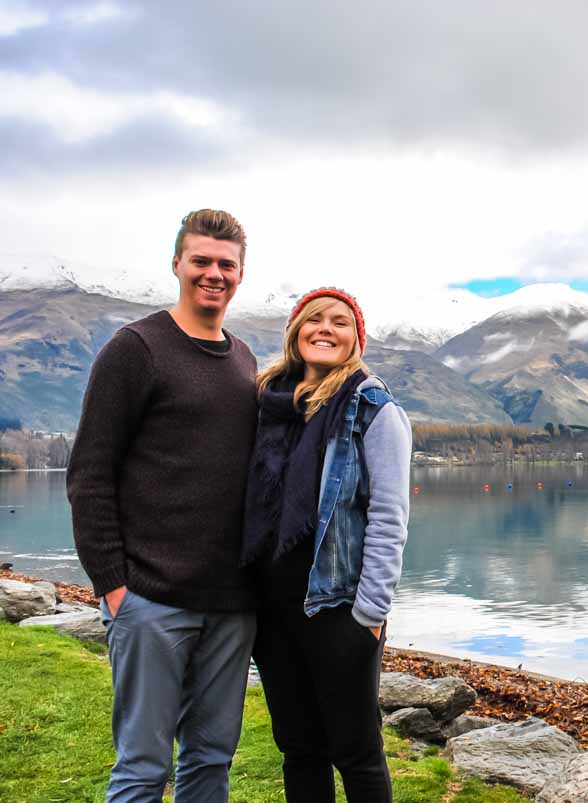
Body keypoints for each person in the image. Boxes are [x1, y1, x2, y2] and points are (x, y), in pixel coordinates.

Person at [67, 209, 259, 802]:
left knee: (211, 762)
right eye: (201, 260)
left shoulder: (245, 359)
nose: (214, 273)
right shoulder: (136, 349)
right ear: (177, 263)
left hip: (232, 603)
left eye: (226, 264)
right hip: (151, 600)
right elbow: (89, 474)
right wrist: (114, 587)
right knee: (143, 768)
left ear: (241, 274)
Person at [243, 287, 412, 802]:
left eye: (339, 322)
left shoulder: (373, 408)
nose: (324, 329)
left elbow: (389, 516)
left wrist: (370, 613)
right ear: (295, 332)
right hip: (272, 609)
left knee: (356, 753)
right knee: (299, 748)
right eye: (313, 319)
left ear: (355, 338)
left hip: (337, 607)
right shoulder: (269, 400)